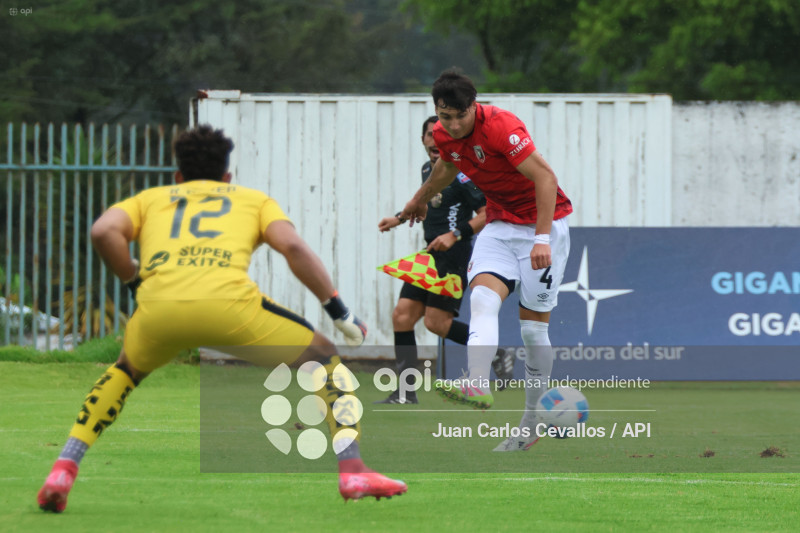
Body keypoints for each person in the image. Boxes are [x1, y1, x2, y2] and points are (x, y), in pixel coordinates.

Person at [37, 125, 407, 513]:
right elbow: (293, 246)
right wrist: (337, 309)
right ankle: (353, 469)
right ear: (227, 176)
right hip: (230, 309)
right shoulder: (252, 200)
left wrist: (133, 278)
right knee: (323, 356)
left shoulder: (150, 199)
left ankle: (64, 467)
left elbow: (103, 231)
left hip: (159, 310)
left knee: (125, 372)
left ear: (178, 176)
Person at [400, 70, 573, 452]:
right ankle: (477, 381)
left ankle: (531, 423)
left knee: (532, 332)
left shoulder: (501, 128)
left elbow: (545, 178)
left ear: (474, 106)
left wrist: (542, 238)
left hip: (545, 225)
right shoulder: (445, 135)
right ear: (437, 111)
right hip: (499, 225)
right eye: (446, 117)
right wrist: (419, 198)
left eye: (461, 115)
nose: (454, 124)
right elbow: (446, 167)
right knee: (481, 298)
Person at [376, 116, 515, 404]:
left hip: (454, 255)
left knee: (436, 323)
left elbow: (486, 213)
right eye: (428, 135)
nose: (433, 140)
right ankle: (405, 392)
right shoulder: (429, 170)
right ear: (424, 140)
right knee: (401, 316)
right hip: (429, 255)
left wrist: (455, 235)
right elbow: (426, 204)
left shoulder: (462, 173)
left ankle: (497, 353)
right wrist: (399, 218)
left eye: (437, 135)